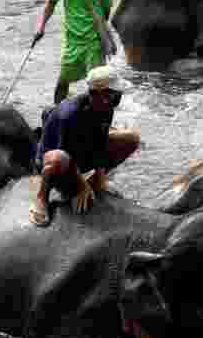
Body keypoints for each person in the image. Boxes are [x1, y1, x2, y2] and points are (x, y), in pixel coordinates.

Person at [29, 66, 140, 226]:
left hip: (80, 152)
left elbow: (101, 142)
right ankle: (41, 197)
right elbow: (63, 153)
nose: (119, 97)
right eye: (115, 93)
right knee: (59, 158)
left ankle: (94, 182)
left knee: (131, 138)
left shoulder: (106, 108)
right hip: (57, 161)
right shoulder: (69, 114)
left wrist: (100, 182)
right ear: (100, 94)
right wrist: (81, 186)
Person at [32, 0, 115, 104]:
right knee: (63, 81)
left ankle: (97, 121)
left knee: (97, 85)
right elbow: (51, 3)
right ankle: (56, 115)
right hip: (73, 41)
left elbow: (105, 14)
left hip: (94, 42)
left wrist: (107, 40)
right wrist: (40, 27)